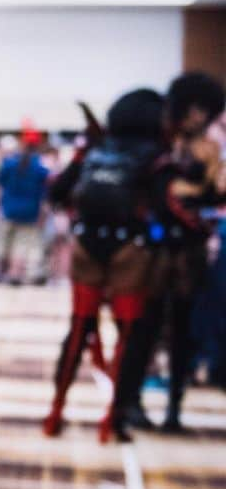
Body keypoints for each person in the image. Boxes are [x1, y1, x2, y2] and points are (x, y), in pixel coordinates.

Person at [42, 89, 164, 442]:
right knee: (129, 337)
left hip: (88, 248)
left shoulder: (94, 150)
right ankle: (115, 417)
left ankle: (56, 409)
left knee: (79, 329)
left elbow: (59, 192)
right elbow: (166, 206)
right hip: (132, 252)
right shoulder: (156, 157)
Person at [115, 71, 224, 433]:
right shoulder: (159, 143)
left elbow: (214, 191)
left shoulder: (205, 148)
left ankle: (173, 408)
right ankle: (128, 403)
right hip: (156, 252)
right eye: (196, 110)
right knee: (143, 330)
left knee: (183, 333)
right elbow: (160, 194)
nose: (199, 117)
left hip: (187, 254)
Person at [0, 128, 49, 284]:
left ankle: (1, 273)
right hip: (30, 211)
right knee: (22, 244)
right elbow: (44, 193)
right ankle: (15, 273)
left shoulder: (9, 163)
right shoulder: (39, 167)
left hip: (8, 209)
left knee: (3, 242)